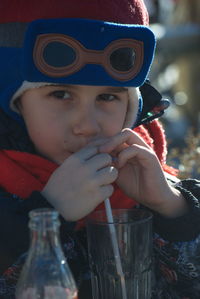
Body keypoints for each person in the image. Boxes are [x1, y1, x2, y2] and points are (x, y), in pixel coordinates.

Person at [0, 0, 199, 298]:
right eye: (61, 93)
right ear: (15, 103)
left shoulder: (148, 180)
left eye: (108, 97)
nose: (88, 126)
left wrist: (174, 210)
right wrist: (45, 217)